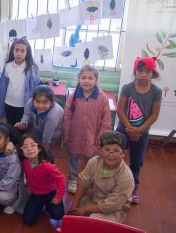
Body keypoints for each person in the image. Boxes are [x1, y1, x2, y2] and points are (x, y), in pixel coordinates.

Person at [116, 56, 162, 204]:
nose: (143, 74)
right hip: (123, 130)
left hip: (142, 133)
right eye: (140, 71)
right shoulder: (127, 88)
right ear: (135, 72)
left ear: (153, 73)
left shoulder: (156, 91)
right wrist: (130, 129)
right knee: (115, 157)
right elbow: (120, 110)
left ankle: (133, 188)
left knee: (136, 162)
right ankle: (112, 183)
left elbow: (154, 115)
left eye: (148, 71)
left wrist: (139, 130)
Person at [63, 65, 111, 194]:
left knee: (92, 160)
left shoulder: (102, 98)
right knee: (73, 158)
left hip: (93, 136)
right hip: (75, 135)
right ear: (78, 79)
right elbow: (67, 117)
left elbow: (106, 122)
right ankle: (73, 179)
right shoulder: (73, 96)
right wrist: (66, 134)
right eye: (83, 77)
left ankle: (89, 180)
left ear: (96, 80)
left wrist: (101, 138)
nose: (86, 81)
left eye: (90, 78)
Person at [69, 131, 135, 223]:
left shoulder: (126, 177)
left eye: (116, 151)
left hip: (113, 209)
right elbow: (83, 184)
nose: (110, 155)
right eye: (107, 150)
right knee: (74, 218)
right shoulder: (93, 162)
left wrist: (85, 210)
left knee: (94, 222)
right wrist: (74, 207)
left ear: (123, 153)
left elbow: (112, 205)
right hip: (91, 198)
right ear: (100, 150)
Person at [20, 135, 65, 225]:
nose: (29, 149)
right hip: (36, 194)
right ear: (22, 151)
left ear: (39, 148)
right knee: (28, 221)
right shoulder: (24, 162)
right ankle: (41, 206)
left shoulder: (47, 166)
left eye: (33, 145)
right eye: (25, 147)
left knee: (58, 215)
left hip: (50, 193)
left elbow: (61, 179)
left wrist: (58, 197)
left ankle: (48, 206)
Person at [0, 37, 39, 127]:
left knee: (22, 128)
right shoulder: (8, 66)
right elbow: (3, 86)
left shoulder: (31, 68)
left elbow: (34, 88)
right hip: (8, 103)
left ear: (27, 53)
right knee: (10, 127)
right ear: (12, 51)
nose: (19, 53)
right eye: (17, 50)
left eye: (22, 51)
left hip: (24, 105)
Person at [14, 85, 64, 160]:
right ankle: (36, 161)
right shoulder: (30, 102)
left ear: (51, 102)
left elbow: (48, 133)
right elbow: (27, 114)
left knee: (47, 151)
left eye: (45, 102)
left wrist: (45, 144)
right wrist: (23, 123)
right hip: (37, 128)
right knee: (35, 146)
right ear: (33, 99)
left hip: (52, 134)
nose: (41, 106)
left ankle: (50, 162)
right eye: (37, 101)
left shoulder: (54, 114)